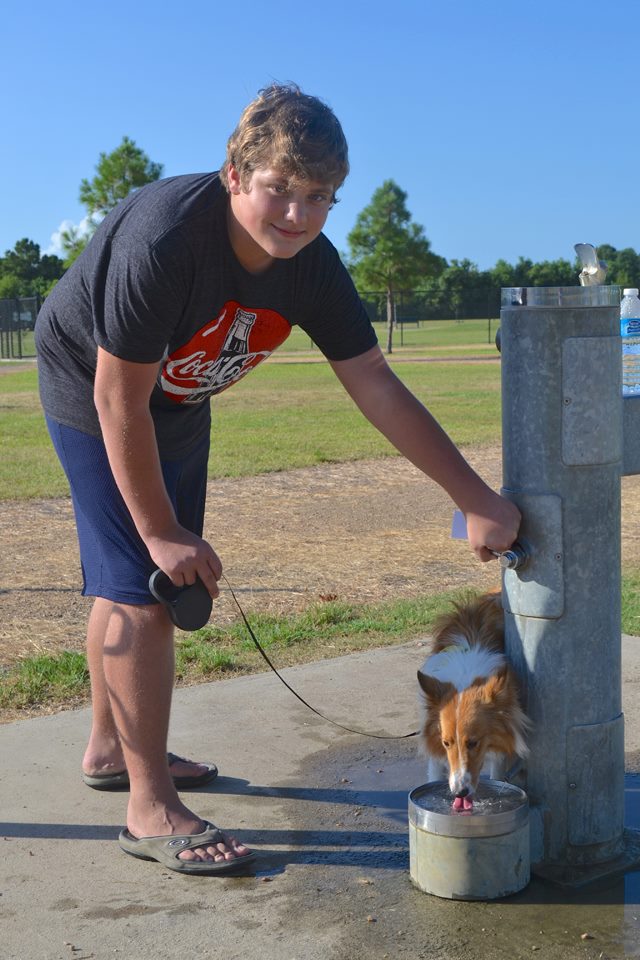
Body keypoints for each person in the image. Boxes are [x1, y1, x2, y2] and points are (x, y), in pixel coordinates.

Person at [35, 83, 520, 875]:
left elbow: (375, 382)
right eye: (279, 191)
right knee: (145, 587)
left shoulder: (312, 269)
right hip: (93, 390)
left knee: (140, 581)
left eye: (320, 197)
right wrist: (160, 531)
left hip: (181, 400)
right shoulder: (167, 241)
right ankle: (149, 806)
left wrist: (473, 498)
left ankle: (109, 750)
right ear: (235, 174)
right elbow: (117, 396)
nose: (298, 215)